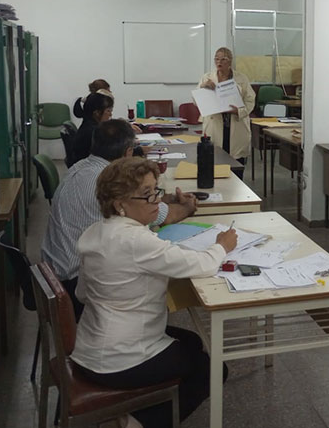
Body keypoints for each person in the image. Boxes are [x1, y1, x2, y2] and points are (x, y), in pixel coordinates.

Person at [71, 157, 237, 428]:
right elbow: (201, 264)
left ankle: (150, 404)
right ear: (119, 204)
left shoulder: (95, 232)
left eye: (155, 191)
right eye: (147, 196)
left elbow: (82, 294)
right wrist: (222, 246)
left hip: (90, 348)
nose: (157, 202)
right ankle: (137, 423)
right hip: (121, 359)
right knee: (213, 369)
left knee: (193, 343)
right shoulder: (137, 240)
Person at [40, 119, 198, 317]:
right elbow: (162, 216)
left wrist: (165, 198)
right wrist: (187, 206)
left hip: (54, 277)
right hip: (78, 287)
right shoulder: (108, 181)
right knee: (168, 267)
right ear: (128, 152)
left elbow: (141, 203)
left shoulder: (80, 168)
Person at [198, 47, 256, 179]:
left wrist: (239, 111)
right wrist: (204, 88)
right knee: (214, 163)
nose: (219, 62)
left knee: (236, 164)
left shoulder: (241, 78)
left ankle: (236, 193)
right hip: (215, 124)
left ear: (230, 61)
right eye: (217, 59)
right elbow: (197, 102)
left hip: (235, 125)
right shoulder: (207, 78)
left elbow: (250, 100)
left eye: (223, 59)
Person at [71, 92, 114, 164]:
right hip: (89, 169)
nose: (110, 114)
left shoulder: (89, 125)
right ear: (96, 113)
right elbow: (111, 153)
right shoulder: (93, 132)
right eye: (108, 111)